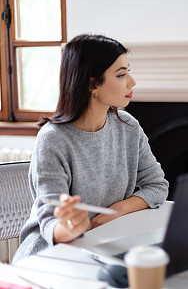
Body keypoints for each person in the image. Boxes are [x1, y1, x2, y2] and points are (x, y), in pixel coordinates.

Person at [12, 34, 169, 263]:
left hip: (104, 244)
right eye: (121, 75)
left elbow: (157, 185)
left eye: (128, 71)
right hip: (51, 256)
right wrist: (72, 226)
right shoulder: (53, 139)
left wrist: (118, 211)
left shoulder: (128, 127)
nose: (132, 82)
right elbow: (50, 224)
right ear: (92, 84)